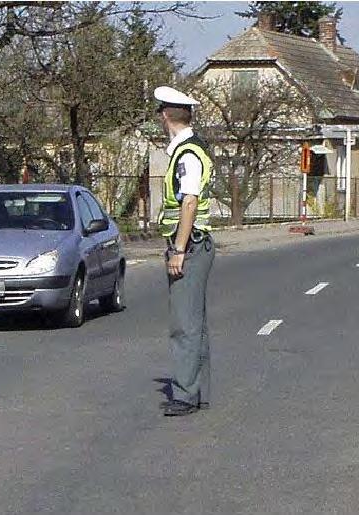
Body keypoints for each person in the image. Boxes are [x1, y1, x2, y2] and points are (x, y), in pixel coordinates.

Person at [154, 86, 215, 417]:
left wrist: (178, 249)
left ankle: (185, 394)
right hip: (197, 244)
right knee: (196, 323)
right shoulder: (195, 148)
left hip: (189, 246)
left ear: (166, 116)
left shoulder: (186, 154)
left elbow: (188, 201)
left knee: (184, 324)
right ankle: (197, 389)